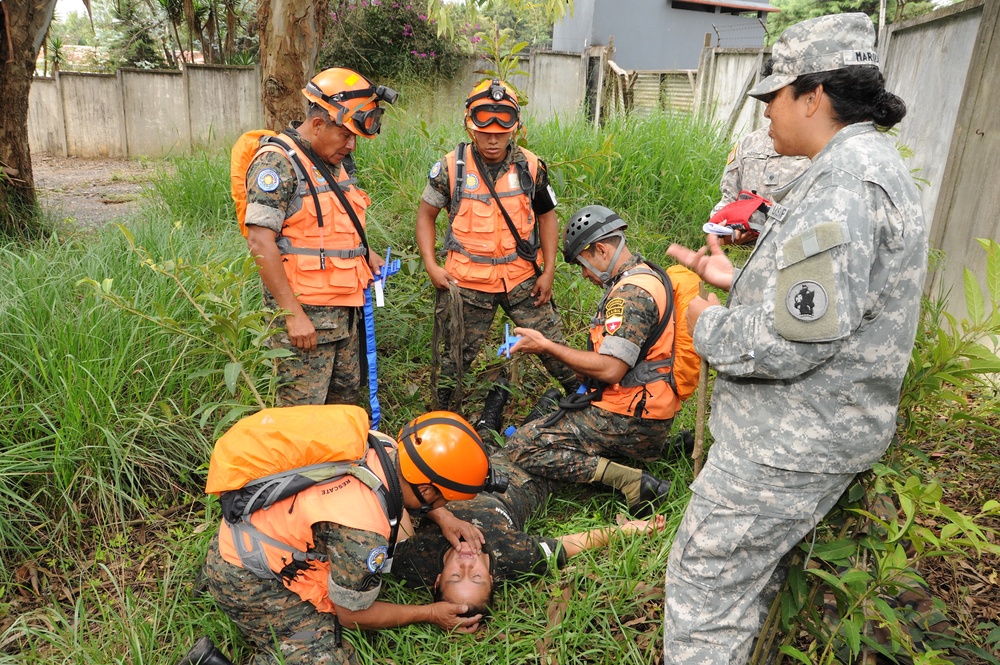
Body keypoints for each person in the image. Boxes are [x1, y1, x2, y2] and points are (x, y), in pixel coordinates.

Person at [662, 13, 928, 664]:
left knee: (704, 591)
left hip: (785, 444)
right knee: (743, 589)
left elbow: (789, 342)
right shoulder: (865, 163)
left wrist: (707, 321)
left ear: (814, 95)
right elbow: (822, 297)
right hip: (817, 431)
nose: (767, 115)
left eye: (773, 97)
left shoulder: (844, 182)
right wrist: (740, 275)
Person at [183, 406, 503, 665]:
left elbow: (401, 486)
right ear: (427, 489)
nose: (447, 505)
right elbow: (352, 616)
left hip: (246, 532)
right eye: (446, 498)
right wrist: (429, 613)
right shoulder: (363, 533)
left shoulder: (384, 445)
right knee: (331, 659)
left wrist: (443, 515)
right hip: (246, 577)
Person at [502, 205, 703, 515]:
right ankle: (661, 448)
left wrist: (547, 346)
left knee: (522, 446)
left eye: (583, 264)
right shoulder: (646, 274)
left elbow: (611, 369)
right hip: (648, 409)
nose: (584, 274)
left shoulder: (630, 294)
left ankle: (633, 482)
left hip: (630, 418)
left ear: (600, 249)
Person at [415, 78, 577, 412]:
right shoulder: (450, 168)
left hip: (523, 281)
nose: (492, 139)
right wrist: (432, 266)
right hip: (467, 285)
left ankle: (592, 404)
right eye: (484, 131)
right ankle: (443, 422)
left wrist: (549, 271)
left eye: (501, 132)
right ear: (470, 127)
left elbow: (547, 217)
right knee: (454, 362)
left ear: (515, 128)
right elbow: (425, 215)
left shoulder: (532, 166)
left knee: (556, 350)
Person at [244, 67, 394, 406]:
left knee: (343, 409)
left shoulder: (337, 160)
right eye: (345, 135)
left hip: (345, 315)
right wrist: (292, 315)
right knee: (303, 418)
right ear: (318, 124)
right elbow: (260, 242)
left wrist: (363, 253)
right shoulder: (276, 163)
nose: (351, 144)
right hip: (306, 324)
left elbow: (333, 220)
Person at [390, 452, 666, 614]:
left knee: (492, 445)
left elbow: (396, 501)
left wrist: (442, 515)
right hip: (516, 486)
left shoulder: (412, 561)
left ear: (437, 580)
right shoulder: (515, 558)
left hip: (461, 475)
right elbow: (572, 543)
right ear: (491, 578)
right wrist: (628, 530)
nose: (466, 562)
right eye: (475, 576)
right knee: (538, 457)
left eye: (454, 576)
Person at [710, 125, 810, 245]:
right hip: (748, 256)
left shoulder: (818, 145)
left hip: (795, 252)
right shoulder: (749, 143)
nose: (767, 112)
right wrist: (725, 233)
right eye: (767, 105)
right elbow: (728, 201)